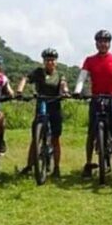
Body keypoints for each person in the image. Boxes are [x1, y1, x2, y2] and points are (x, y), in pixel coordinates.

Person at [73, 29, 112, 178]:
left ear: (109, 43)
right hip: (96, 98)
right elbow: (82, 77)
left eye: (106, 41)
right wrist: (78, 90)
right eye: (100, 41)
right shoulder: (90, 60)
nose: (103, 44)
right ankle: (88, 163)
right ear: (96, 43)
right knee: (91, 133)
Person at [15, 47, 70, 178]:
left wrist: (66, 92)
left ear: (56, 62)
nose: (49, 62)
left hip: (54, 105)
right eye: (47, 60)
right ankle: (29, 166)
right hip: (41, 105)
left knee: (55, 139)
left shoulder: (59, 75)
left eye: (52, 60)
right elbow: (25, 79)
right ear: (43, 61)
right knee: (36, 137)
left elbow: (63, 85)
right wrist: (19, 91)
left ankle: (56, 168)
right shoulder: (38, 72)